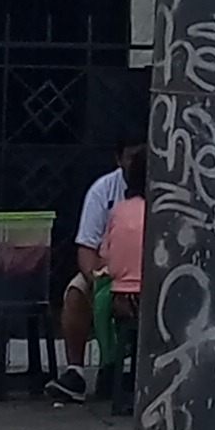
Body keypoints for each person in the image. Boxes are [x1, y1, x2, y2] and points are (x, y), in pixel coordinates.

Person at [52, 134, 145, 404]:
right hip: (109, 273)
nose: (135, 164)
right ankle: (76, 371)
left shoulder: (153, 196)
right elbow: (87, 248)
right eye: (131, 158)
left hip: (138, 276)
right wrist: (96, 279)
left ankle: (113, 366)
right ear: (118, 159)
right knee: (77, 293)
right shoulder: (103, 191)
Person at [95, 150, 147, 415]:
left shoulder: (119, 211)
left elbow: (108, 259)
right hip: (152, 300)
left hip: (123, 301)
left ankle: (109, 365)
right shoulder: (163, 213)